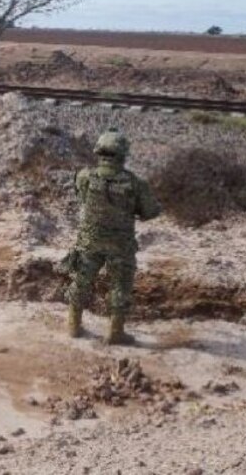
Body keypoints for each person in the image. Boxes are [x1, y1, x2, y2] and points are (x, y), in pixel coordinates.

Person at [64, 128, 161, 345]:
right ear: (123, 154)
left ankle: (73, 325)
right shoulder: (135, 183)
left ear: (99, 152)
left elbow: (82, 197)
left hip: (89, 240)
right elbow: (150, 212)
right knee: (120, 285)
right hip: (121, 244)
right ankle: (115, 332)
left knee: (81, 280)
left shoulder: (85, 176)